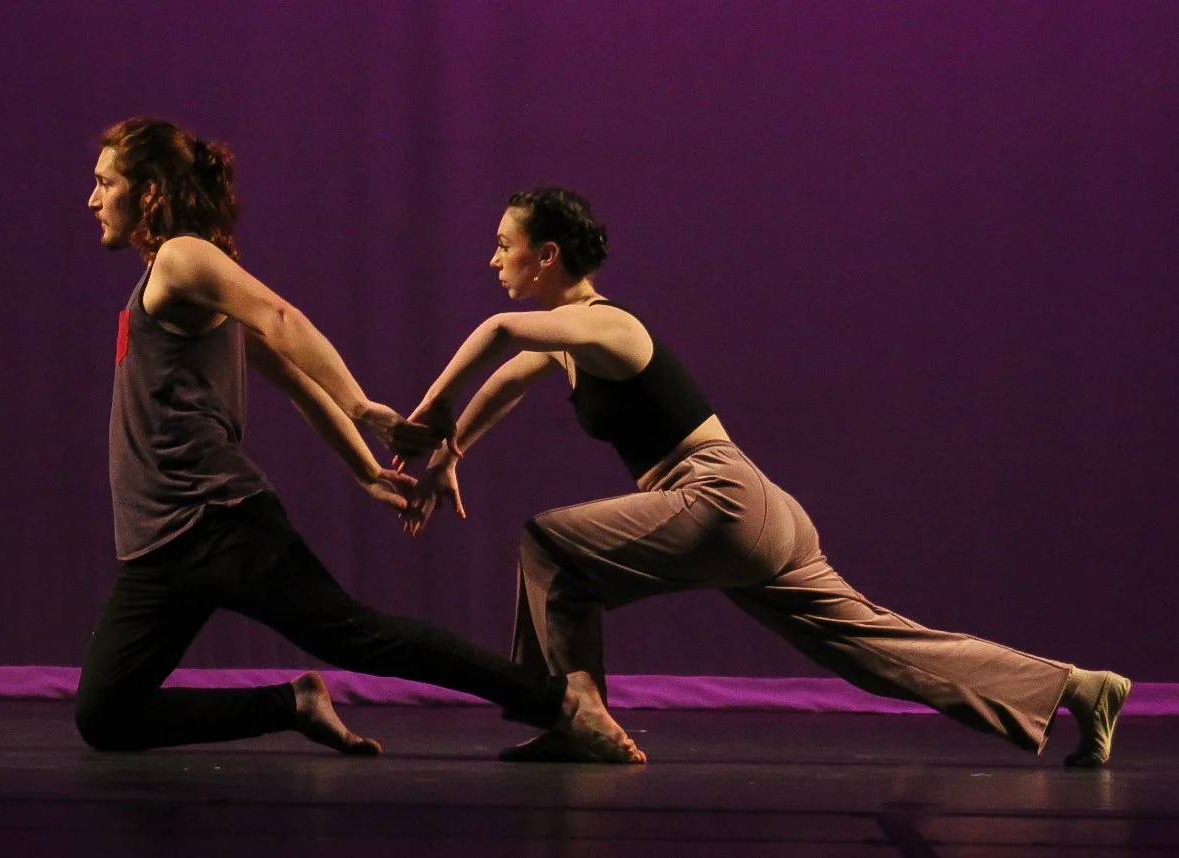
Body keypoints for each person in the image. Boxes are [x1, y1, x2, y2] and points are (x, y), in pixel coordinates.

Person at [398, 187, 1131, 767]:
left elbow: (497, 335)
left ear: (547, 254)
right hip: (752, 507)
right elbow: (512, 376)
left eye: (504, 246)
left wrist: (423, 416)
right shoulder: (574, 340)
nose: (493, 260)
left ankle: (571, 713)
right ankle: (1076, 688)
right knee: (869, 650)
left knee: (549, 546)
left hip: (715, 497)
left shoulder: (609, 325)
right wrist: (450, 452)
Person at [75, 120, 643, 764]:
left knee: (359, 637)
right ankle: (293, 704)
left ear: (148, 190)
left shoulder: (185, 257)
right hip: (159, 543)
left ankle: (563, 701)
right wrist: (366, 471)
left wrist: (363, 409)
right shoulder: (167, 277)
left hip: (217, 521)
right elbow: (289, 379)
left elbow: (282, 324)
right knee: (105, 715)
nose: (93, 198)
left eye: (105, 182)